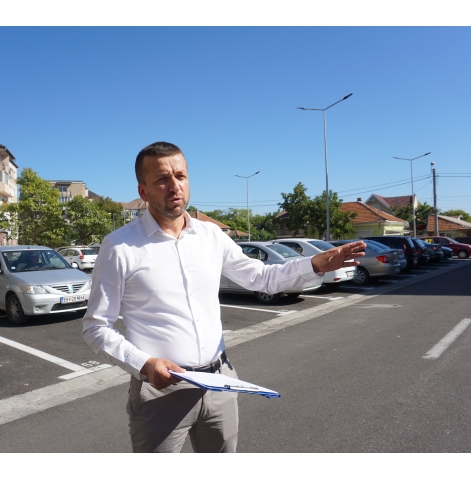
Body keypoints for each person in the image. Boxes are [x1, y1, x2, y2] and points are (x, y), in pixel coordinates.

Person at [82, 141, 365, 453]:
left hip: (220, 380)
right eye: (162, 179)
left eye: (180, 176)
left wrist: (314, 265)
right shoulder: (120, 247)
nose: (174, 186)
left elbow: (260, 277)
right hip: (161, 391)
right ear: (144, 191)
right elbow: (96, 327)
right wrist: (145, 364)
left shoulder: (211, 236)